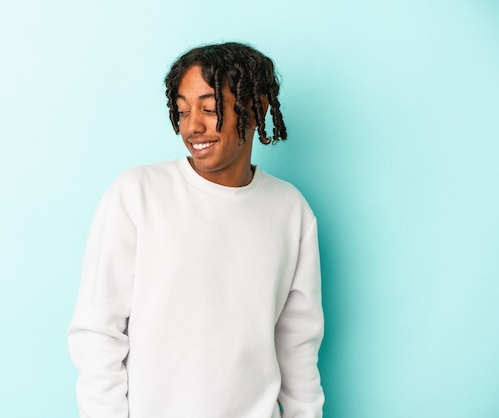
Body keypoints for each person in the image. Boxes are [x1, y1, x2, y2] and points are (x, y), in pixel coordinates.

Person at [68, 42, 324, 418]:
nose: (192, 126)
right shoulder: (138, 194)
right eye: (183, 111)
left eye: (209, 108)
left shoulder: (291, 210)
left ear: (258, 108)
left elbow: (297, 346)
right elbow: (97, 332)